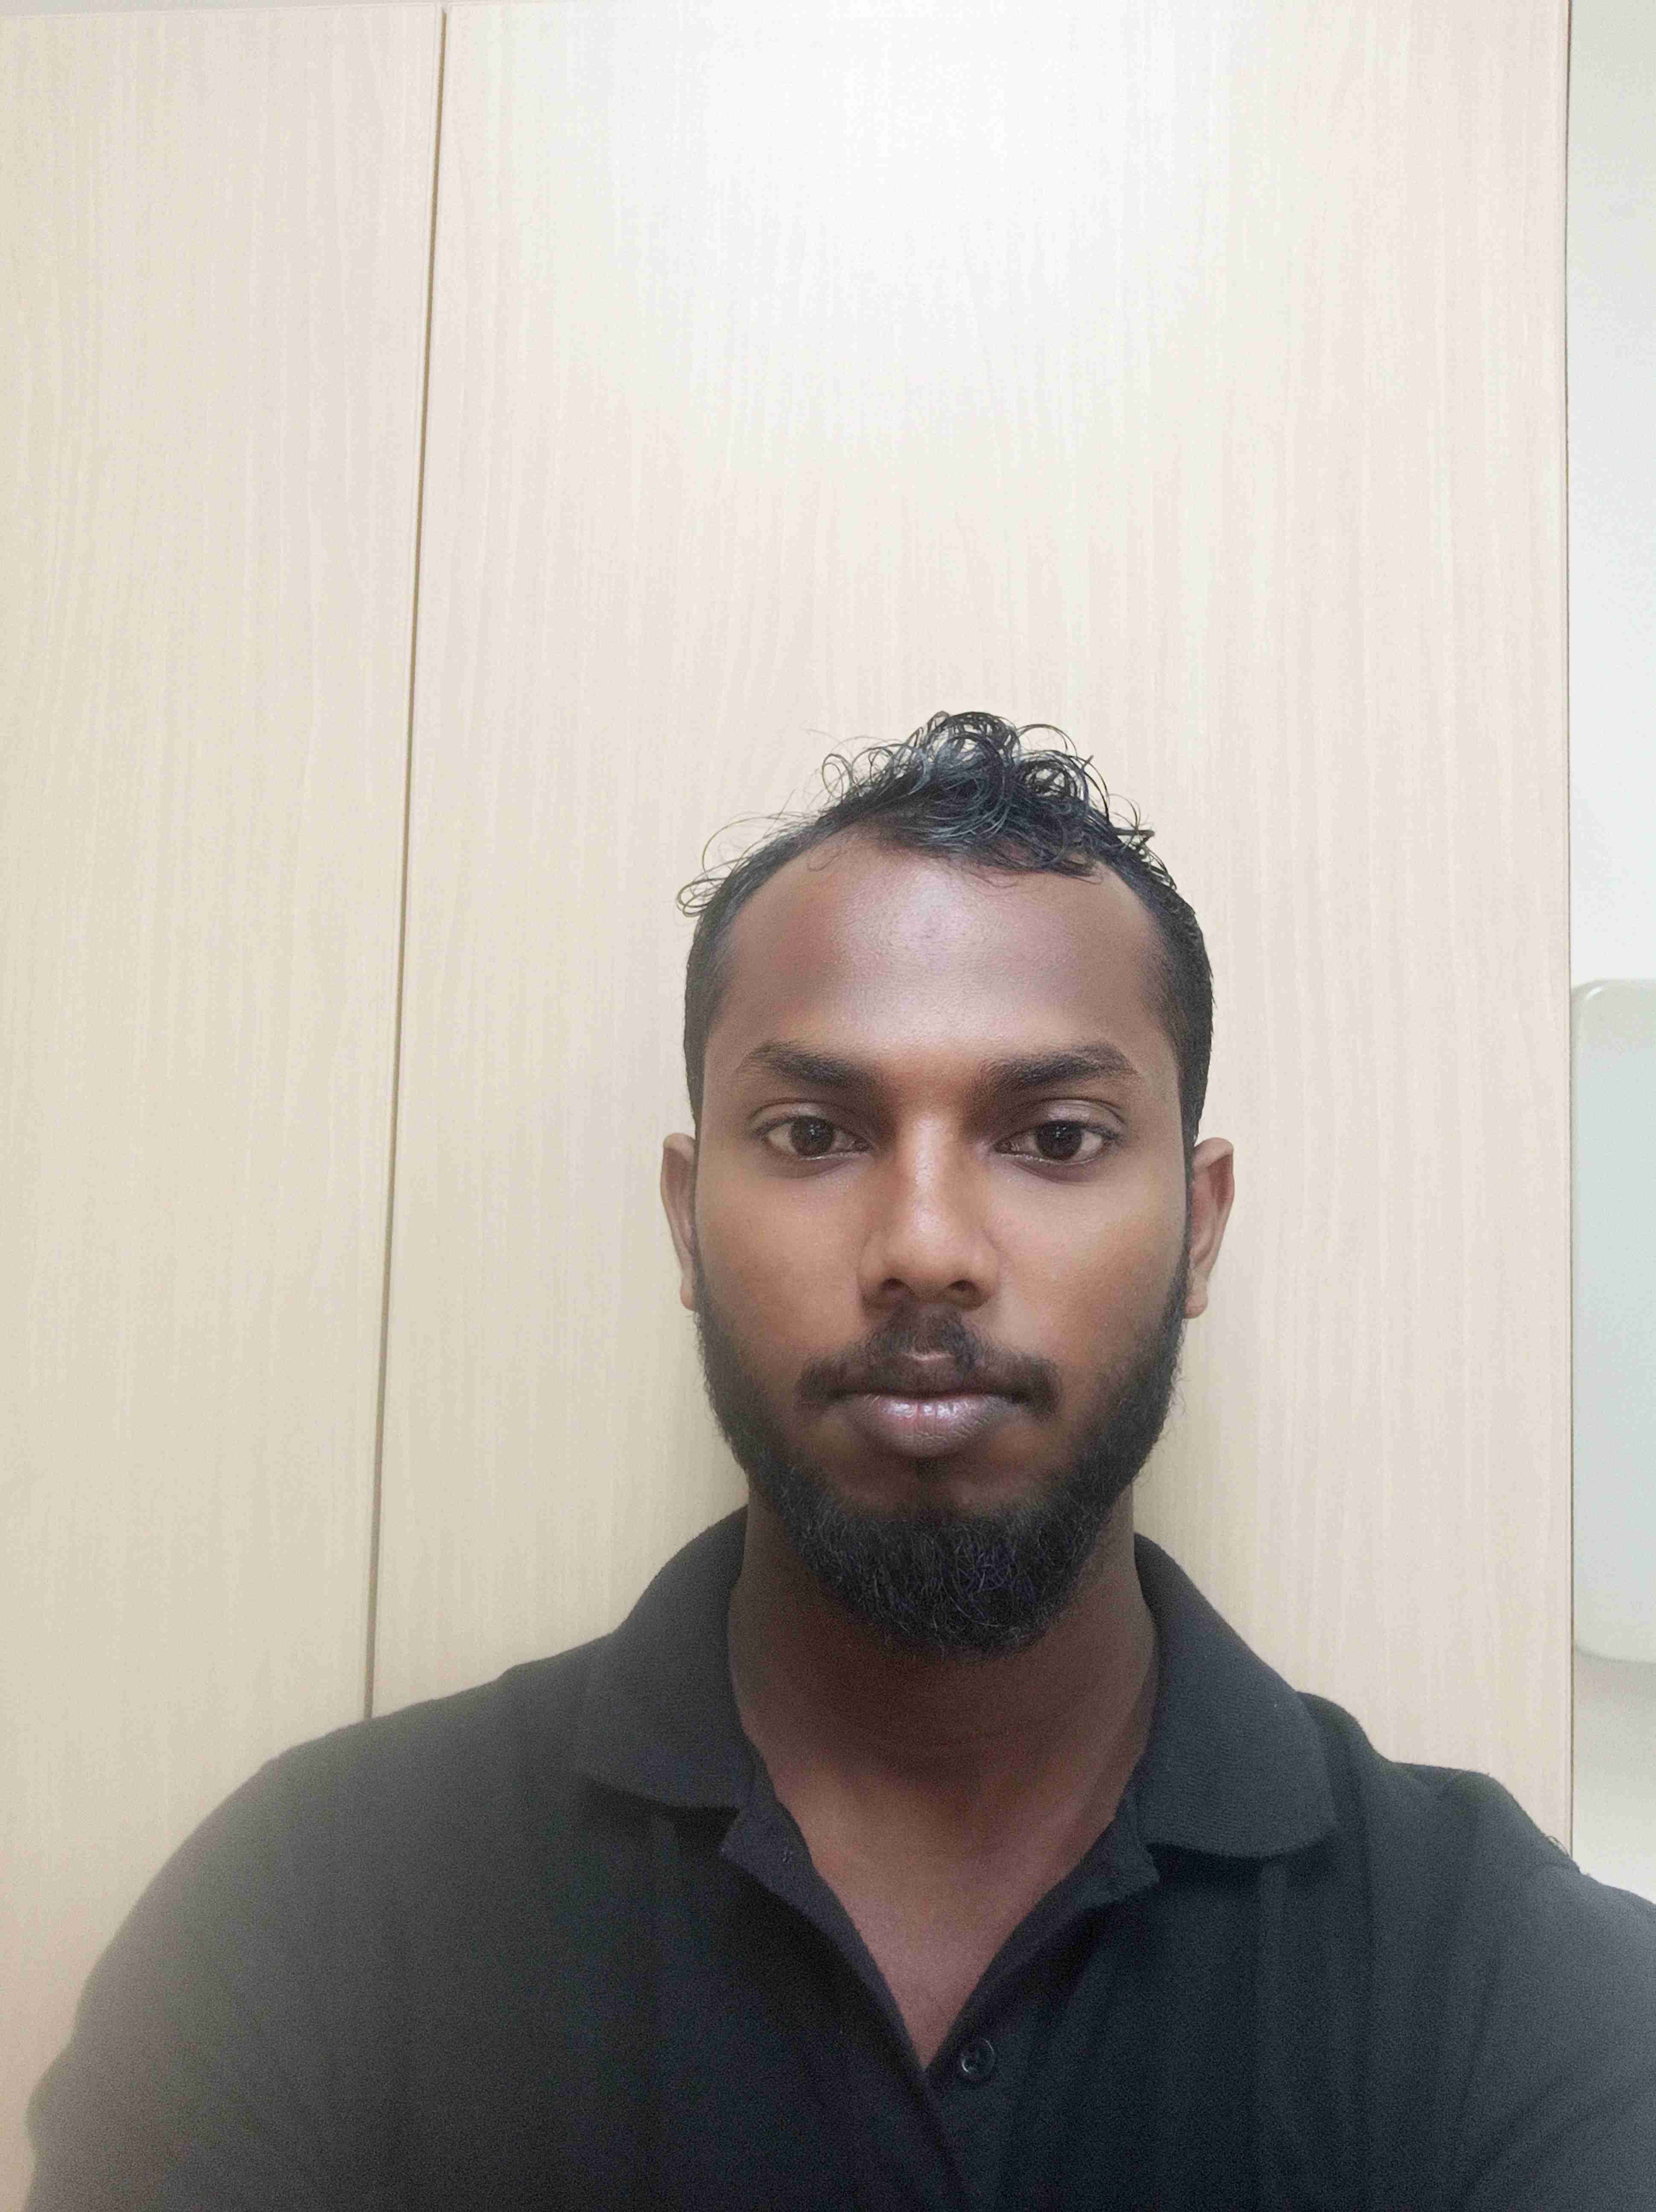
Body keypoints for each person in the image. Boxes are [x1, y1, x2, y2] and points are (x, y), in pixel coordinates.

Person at [26, 712, 1656, 2209]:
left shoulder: (1511, 1991)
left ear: (1200, 1227)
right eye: (815, 1135)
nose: (926, 1247)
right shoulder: (312, 1915)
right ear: (688, 1220)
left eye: (1057, 1137)